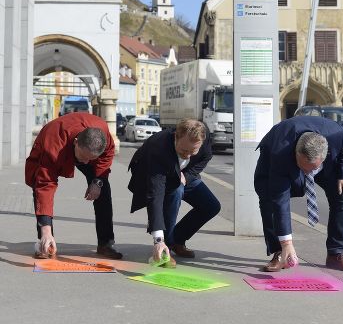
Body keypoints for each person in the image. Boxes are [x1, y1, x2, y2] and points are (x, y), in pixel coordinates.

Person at [254, 115, 343, 272]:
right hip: (279, 158)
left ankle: (336, 254)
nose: (307, 172)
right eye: (303, 167)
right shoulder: (280, 152)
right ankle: (279, 253)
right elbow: (280, 200)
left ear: (325, 156)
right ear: (296, 153)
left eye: (311, 168)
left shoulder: (338, 135)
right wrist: (286, 244)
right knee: (269, 198)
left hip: (324, 166)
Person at [25, 112, 122, 259]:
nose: (85, 163)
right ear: (76, 142)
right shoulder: (53, 144)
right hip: (58, 145)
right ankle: (45, 242)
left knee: (103, 189)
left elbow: (106, 157)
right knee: (38, 183)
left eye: (91, 159)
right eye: (83, 158)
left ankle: (106, 243)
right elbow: (45, 184)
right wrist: (45, 230)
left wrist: (97, 181)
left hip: (85, 149)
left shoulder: (104, 136)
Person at [128, 118, 221, 267]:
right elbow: (155, 195)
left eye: (193, 151)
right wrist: (158, 239)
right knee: (175, 192)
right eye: (184, 150)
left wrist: (187, 176)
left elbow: (205, 157)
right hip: (153, 171)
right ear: (175, 137)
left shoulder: (204, 137)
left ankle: (177, 240)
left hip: (184, 173)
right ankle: (166, 247)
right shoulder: (159, 148)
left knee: (211, 206)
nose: (188, 155)